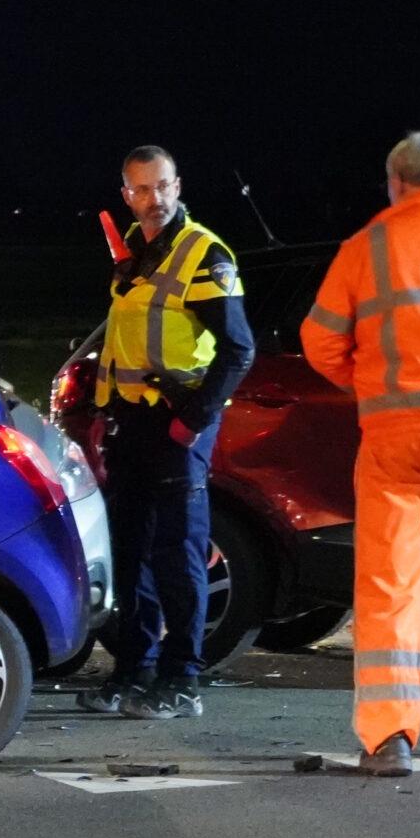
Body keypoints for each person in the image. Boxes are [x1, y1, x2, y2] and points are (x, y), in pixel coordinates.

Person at [77, 145, 255, 720]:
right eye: (142, 190)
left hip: (176, 425)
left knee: (179, 556)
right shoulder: (132, 253)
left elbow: (238, 350)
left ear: (179, 187)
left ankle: (183, 678)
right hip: (131, 424)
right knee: (132, 556)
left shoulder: (204, 253)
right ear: (126, 194)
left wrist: (191, 421)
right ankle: (133, 671)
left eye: (163, 187)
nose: (154, 200)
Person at [300, 130, 420, 776]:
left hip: (395, 437)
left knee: (389, 586)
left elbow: (320, 340)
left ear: (394, 183)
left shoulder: (365, 249)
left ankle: (390, 740)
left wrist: (373, 381)